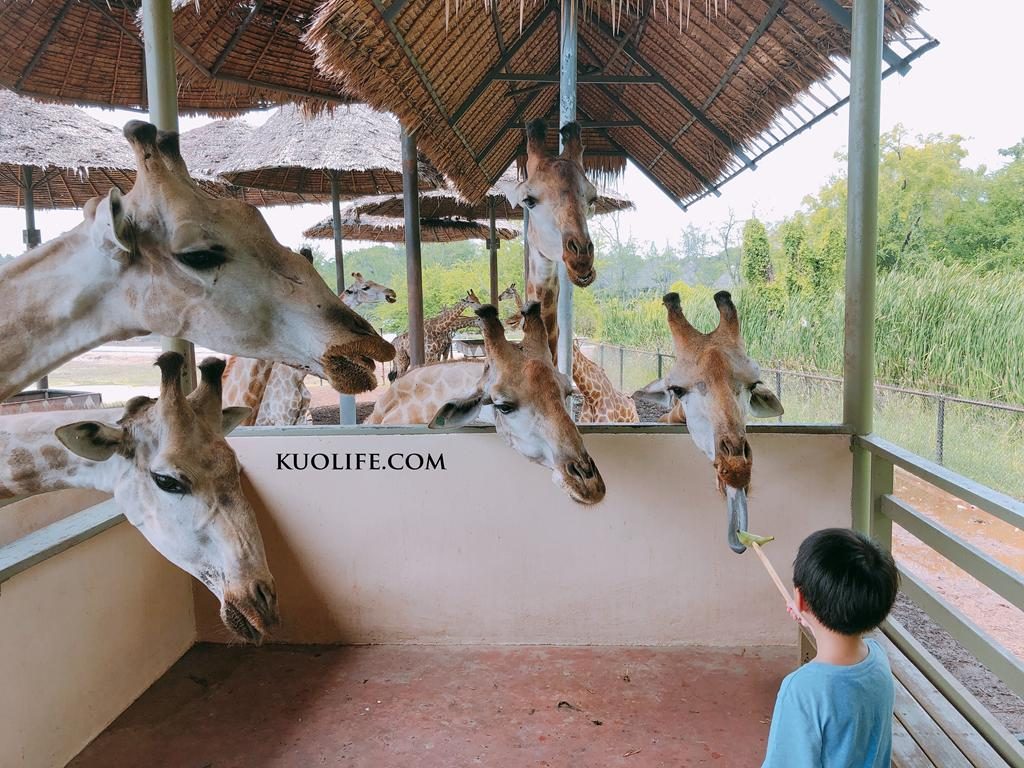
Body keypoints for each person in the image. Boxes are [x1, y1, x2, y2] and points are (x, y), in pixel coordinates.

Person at [762, 528, 900, 768]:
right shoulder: (877, 659)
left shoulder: (803, 690)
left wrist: (809, 613)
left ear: (800, 598)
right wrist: (809, 617)